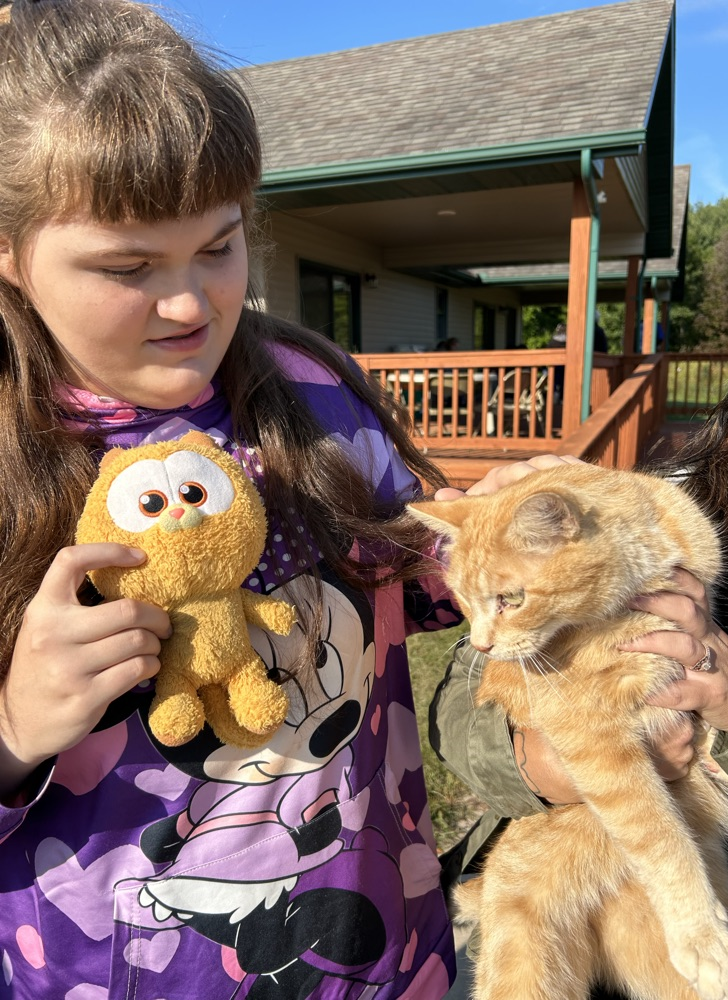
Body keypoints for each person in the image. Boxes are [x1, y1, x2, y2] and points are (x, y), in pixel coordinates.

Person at [0, 2, 506, 995]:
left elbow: (412, 579)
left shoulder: (314, 391)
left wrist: (491, 542)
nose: (191, 304)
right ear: (10, 254)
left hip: (373, 945)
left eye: (220, 247)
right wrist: (17, 726)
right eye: (128, 267)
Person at [430, 447, 728, 997]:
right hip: (565, 838)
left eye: (505, 602)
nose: (481, 637)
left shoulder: (660, 537)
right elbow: (461, 704)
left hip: (688, 834)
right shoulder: (670, 496)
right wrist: (537, 765)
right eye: (468, 603)